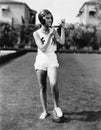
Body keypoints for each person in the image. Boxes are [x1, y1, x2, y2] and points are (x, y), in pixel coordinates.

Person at [33, 9, 65, 120]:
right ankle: (45, 111)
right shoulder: (36, 33)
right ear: (42, 19)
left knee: (54, 83)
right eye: (47, 17)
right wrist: (49, 35)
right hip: (41, 60)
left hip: (52, 59)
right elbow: (42, 48)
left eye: (51, 17)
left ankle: (56, 107)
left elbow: (62, 42)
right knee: (42, 87)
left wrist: (62, 28)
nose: (50, 19)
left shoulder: (53, 30)